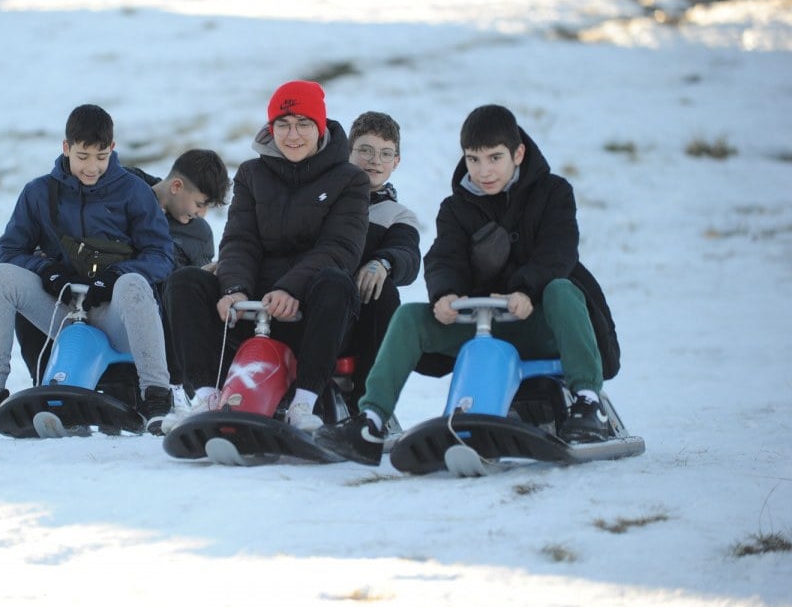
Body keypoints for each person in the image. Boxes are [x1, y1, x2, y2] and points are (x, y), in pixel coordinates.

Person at [315, 104, 622, 465]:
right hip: (483, 325)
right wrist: (445, 295)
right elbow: (443, 258)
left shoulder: (553, 193)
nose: (483, 171)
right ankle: (371, 419)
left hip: (542, 322)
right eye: (474, 160)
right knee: (410, 317)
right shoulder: (456, 207)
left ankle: (587, 403)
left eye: (494, 158)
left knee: (562, 288)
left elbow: (559, 252)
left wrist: (525, 290)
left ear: (518, 153)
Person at [0, 104, 177, 435]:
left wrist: (115, 276)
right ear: (66, 148)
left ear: (112, 149)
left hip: (118, 316)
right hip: (66, 311)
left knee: (134, 284)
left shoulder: (133, 192)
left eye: (100, 156)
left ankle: (157, 397)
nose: (91, 167)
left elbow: (161, 255)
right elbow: (9, 251)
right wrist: (47, 271)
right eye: (82, 156)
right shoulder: (38, 193)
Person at [161, 80, 370, 433]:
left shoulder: (350, 180)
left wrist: (291, 289)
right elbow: (240, 239)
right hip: (252, 301)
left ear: (320, 127)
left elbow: (340, 248)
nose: (292, 135)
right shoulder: (251, 174)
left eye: (303, 124)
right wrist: (235, 289)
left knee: (336, 283)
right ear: (271, 128)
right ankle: (207, 396)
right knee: (185, 282)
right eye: (283, 124)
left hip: (310, 309)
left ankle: (305, 403)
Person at [14, 148, 231, 385]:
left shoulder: (198, 234)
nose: (202, 214)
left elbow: (182, 297)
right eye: (200, 204)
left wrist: (201, 276)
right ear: (177, 186)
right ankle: (47, 385)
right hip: (83, 296)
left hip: (141, 315)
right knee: (28, 295)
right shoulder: (120, 188)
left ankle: (161, 388)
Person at [341, 112, 422, 415]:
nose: (375, 160)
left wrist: (384, 262)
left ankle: (367, 407)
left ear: (396, 162)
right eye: (365, 150)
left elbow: (408, 255)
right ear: (348, 152)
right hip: (315, 303)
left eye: (385, 154)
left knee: (383, 291)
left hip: (359, 318)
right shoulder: (323, 200)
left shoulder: (397, 215)